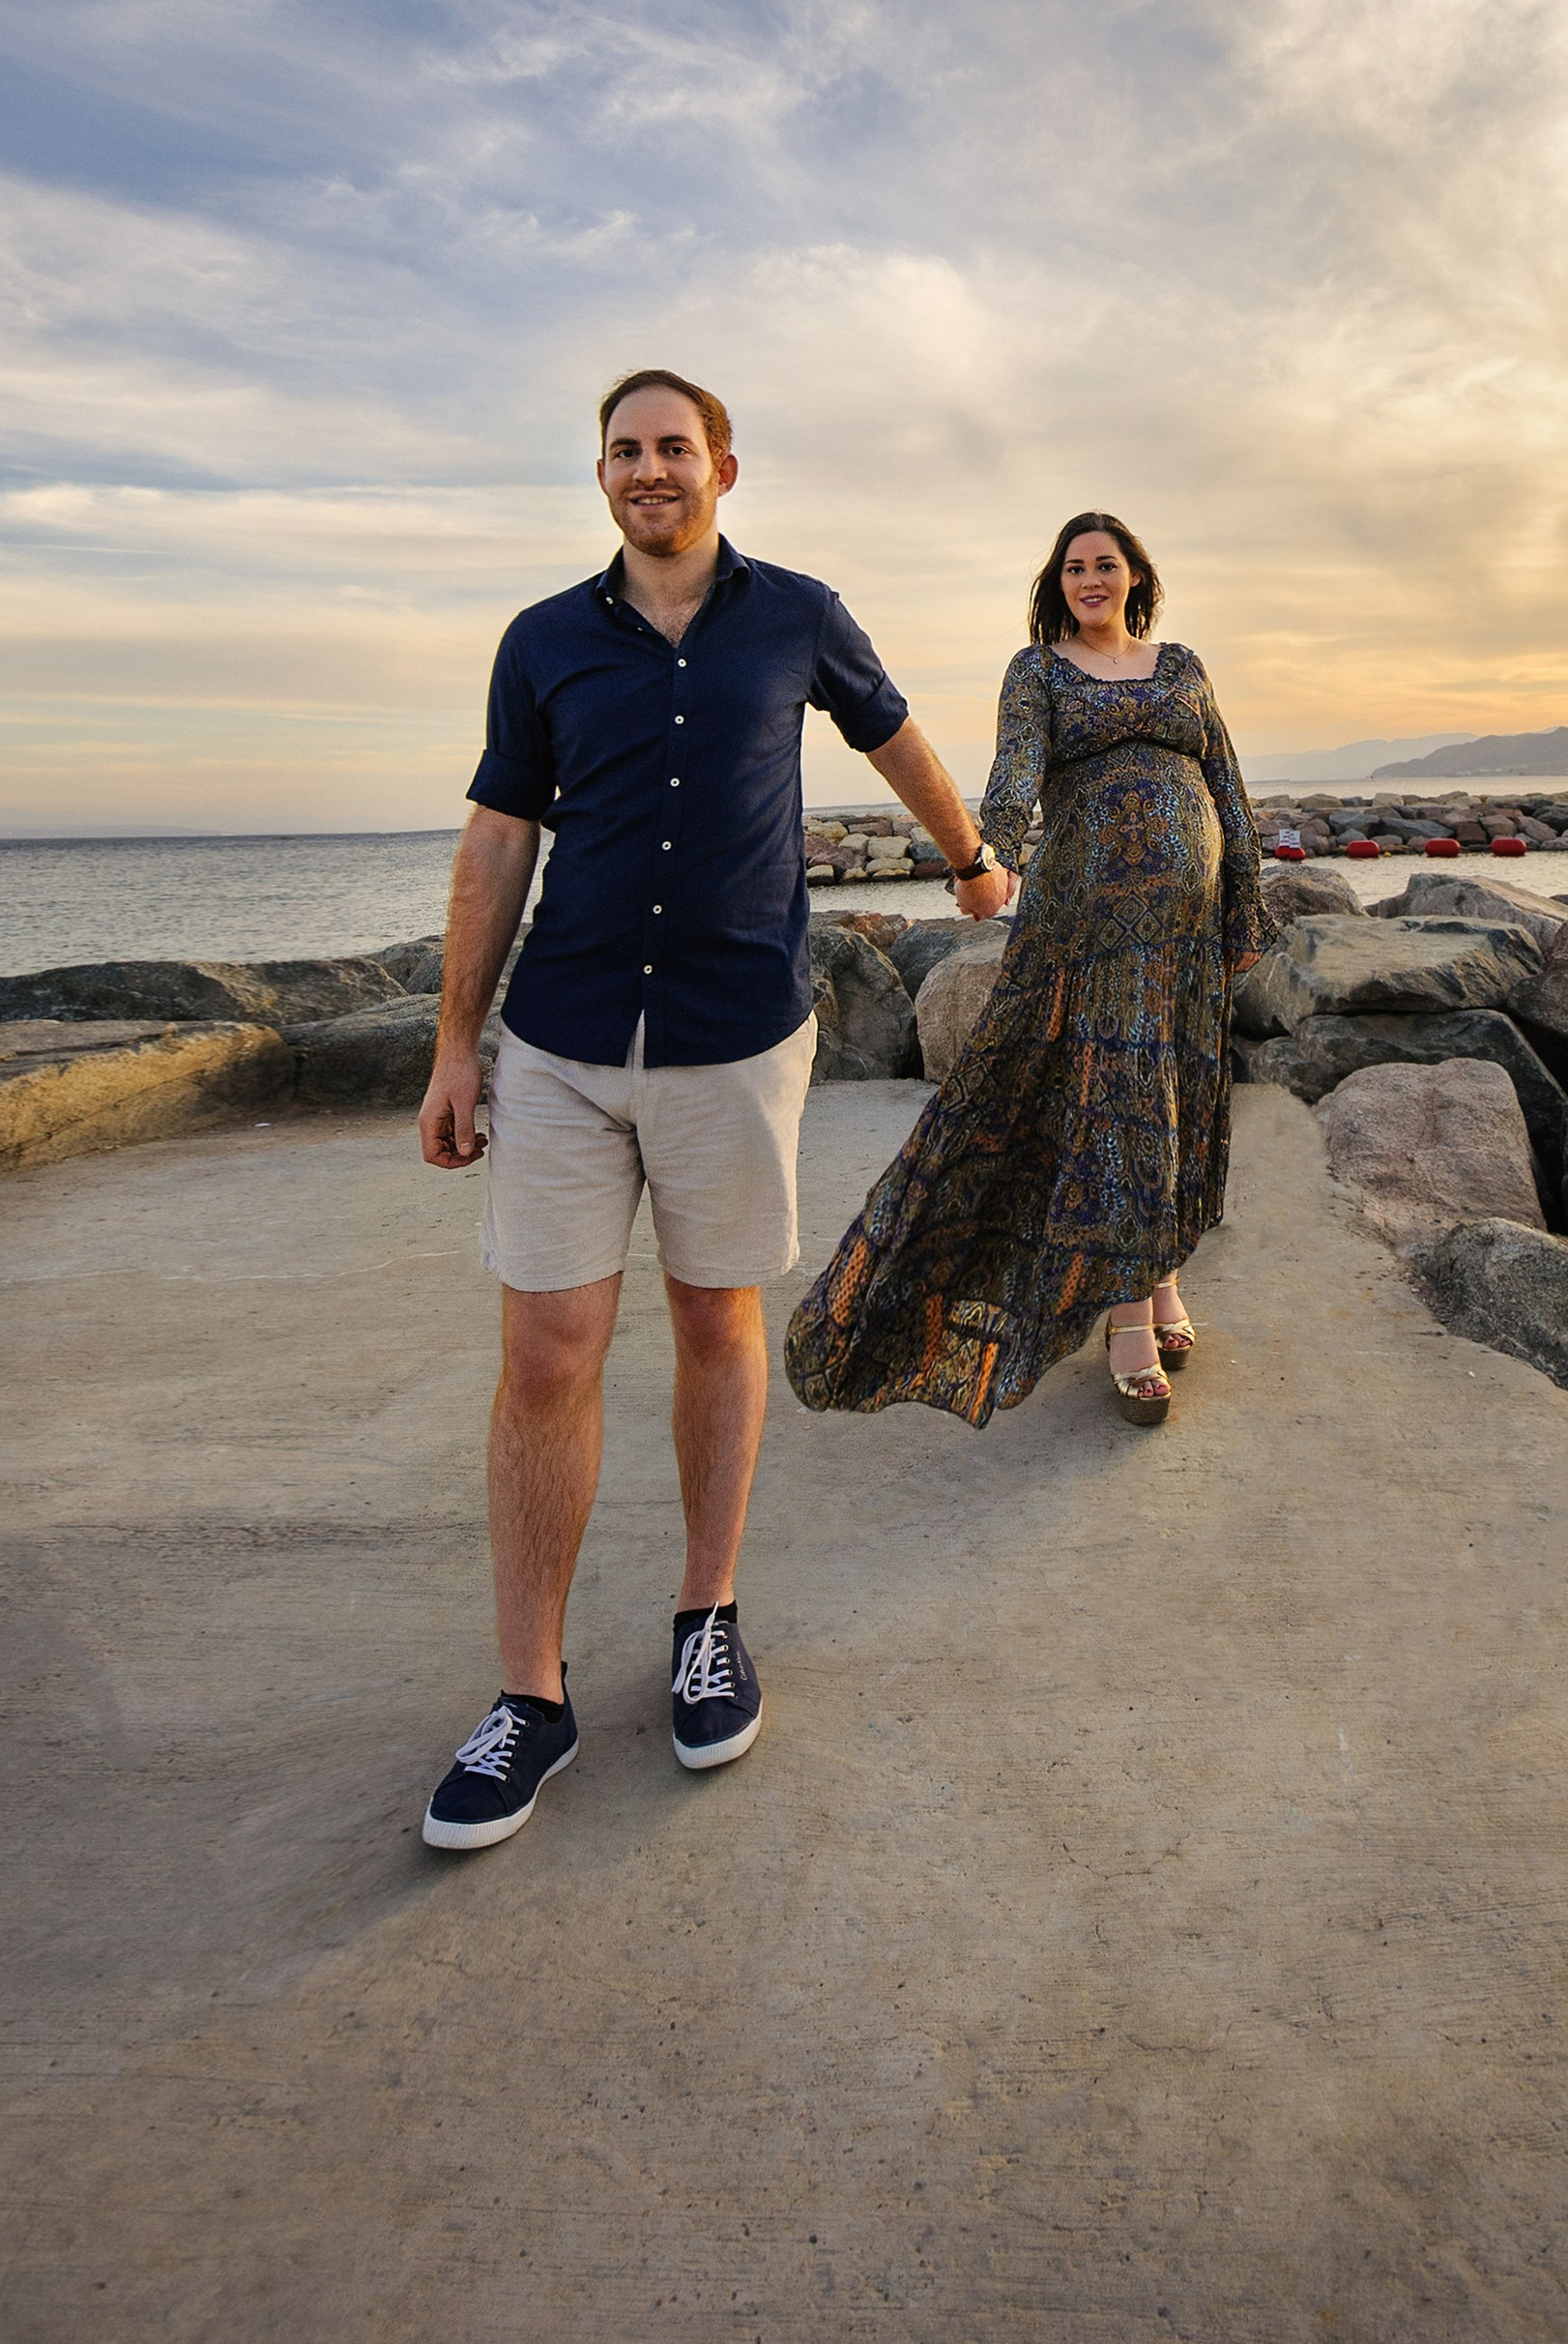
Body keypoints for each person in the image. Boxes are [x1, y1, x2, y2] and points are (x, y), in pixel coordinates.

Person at [414, 367, 1010, 1852]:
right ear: (601, 474)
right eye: (626, 451)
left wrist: (973, 861)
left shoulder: (796, 613)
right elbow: (498, 839)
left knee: (711, 1322)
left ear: (724, 469)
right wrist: (451, 1044)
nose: (650, 471)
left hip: (736, 1036)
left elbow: (895, 737)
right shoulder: (542, 641)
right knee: (546, 1346)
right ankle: (528, 1698)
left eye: (675, 447)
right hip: (559, 1040)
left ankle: (705, 1617)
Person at [784, 509, 1267, 1432]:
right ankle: (1128, 1323)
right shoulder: (1038, 671)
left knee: (1171, 1095)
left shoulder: (1184, 668)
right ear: (1059, 584)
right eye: (1075, 568)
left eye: (1107, 565)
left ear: (1135, 577)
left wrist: (1246, 900)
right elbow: (1016, 772)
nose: (1092, 579)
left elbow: (1225, 786)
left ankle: (1159, 1277)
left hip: (1186, 927)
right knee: (1115, 1100)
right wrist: (988, 858)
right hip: (1091, 924)